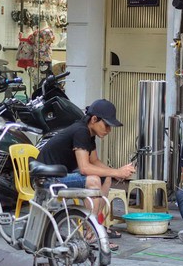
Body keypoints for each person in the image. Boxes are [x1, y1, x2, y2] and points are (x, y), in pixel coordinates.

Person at [37, 99, 135, 241]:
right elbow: (85, 168)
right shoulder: (81, 131)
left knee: (105, 178)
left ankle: (93, 228)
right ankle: (90, 233)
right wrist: (117, 172)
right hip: (46, 178)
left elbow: (94, 161)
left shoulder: (89, 133)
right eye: (107, 125)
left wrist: (115, 172)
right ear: (94, 119)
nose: (109, 130)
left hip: (60, 174)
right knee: (93, 180)